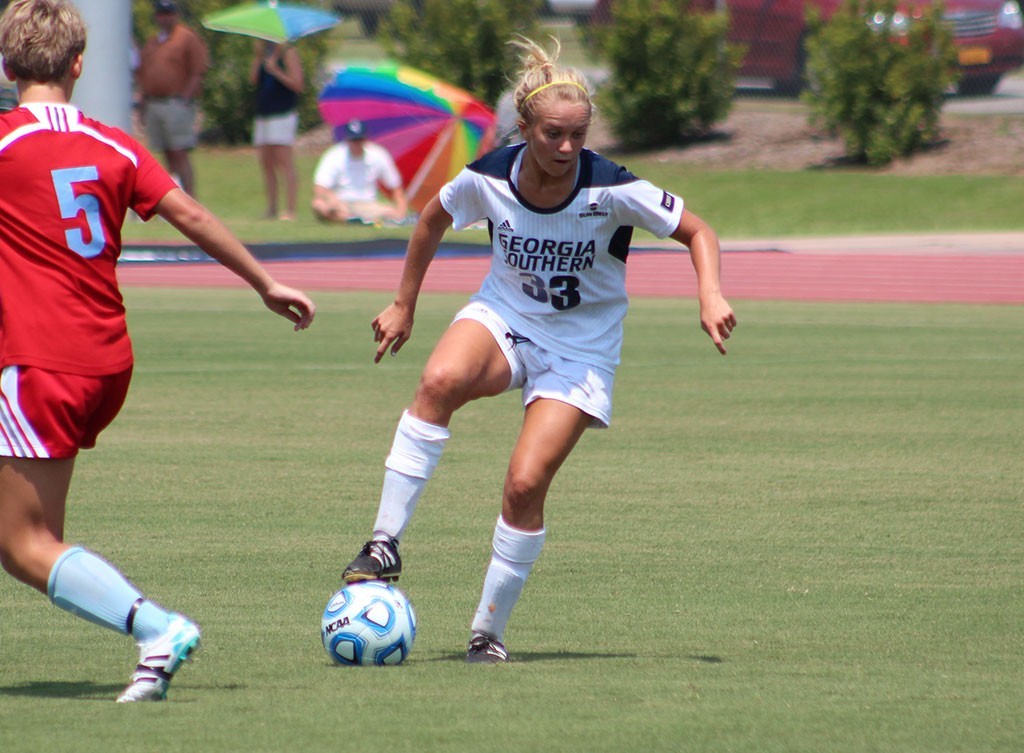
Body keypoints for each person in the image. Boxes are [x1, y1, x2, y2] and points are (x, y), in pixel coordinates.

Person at [339, 37, 737, 663]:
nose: (567, 148)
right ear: (522, 128)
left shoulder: (612, 189)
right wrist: (404, 303)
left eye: (578, 134)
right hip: (506, 317)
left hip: (580, 350)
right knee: (439, 379)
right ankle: (385, 541)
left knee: (525, 484)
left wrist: (709, 294)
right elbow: (429, 220)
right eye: (553, 134)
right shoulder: (489, 177)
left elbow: (698, 230)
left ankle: (487, 634)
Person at [0, 0, 316, 702]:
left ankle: (157, 626)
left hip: (37, 359)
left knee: (22, 545)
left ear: (7, 66)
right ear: (79, 65)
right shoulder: (114, 145)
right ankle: (149, 632)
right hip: (104, 360)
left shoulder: (5, 143)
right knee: (40, 538)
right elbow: (193, 213)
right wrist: (264, 281)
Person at [135, 0, 207, 196]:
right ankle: (175, 197)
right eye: (161, 13)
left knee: (179, 151)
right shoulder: (153, 41)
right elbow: (143, 74)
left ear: (175, 14)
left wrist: (185, 98)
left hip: (175, 102)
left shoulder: (186, 38)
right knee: (166, 154)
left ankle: (191, 197)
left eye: (168, 13)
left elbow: (198, 70)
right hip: (154, 103)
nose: (165, 17)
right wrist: (142, 105)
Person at [311, 119, 409, 225]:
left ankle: (353, 219)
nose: (357, 144)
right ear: (347, 140)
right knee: (318, 204)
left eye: (359, 140)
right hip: (340, 203)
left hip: (367, 204)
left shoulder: (378, 155)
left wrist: (401, 212)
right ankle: (352, 219)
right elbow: (320, 188)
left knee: (390, 212)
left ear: (365, 139)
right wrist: (332, 199)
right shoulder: (334, 156)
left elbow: (396, 187)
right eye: (354, 141)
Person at [249, 39, 304, 221]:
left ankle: (290, 209)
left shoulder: (288, 52)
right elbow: (253, 79)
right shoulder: (264, 53)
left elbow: (297, 84)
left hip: (282, 113)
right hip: (264, 114)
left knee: (284, 161)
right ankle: (272, 207)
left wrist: (277, 71)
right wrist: (258, 58)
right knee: (266, 162)